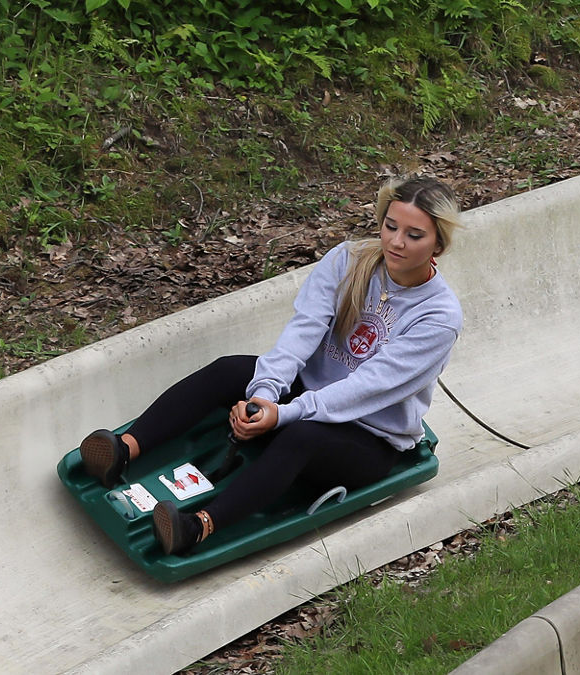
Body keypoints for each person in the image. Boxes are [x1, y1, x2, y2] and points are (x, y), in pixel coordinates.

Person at [78, 175, 466, 556]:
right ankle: (123, 451)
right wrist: (264, 393)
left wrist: (283, 415)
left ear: (439, 245)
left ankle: (195, 528)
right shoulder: (350, 259)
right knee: (231, 370)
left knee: (301, 436)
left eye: (414, 236)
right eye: (390, 226)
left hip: (368, 435)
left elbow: (368, 386)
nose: (396, 242)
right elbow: (303, 330)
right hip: (303, 397)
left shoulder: (438, 317)